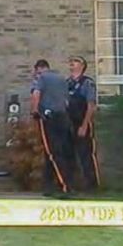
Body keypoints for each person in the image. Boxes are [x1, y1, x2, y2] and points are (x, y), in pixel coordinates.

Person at [30, 59, 74, 196]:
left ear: (39, 69)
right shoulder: (61, 79)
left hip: (49, 117)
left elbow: (36, 94)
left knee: (51, 151)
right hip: (63, 117)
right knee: (60, 150)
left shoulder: (42, 78)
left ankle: (64, 185)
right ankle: (49, 185)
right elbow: (67, 101)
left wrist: (35, 110)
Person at [67, 55, 101, 191]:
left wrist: (84, 125)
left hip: (82, 122)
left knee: (86, 154)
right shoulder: (67, 83)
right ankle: (72, 184)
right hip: (69, 123)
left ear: (82, 66)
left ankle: (92, 185)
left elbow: (91, 105)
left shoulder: (87, 83)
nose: (72, 64)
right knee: (69, 155)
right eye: (71, 61)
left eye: (75, 61)